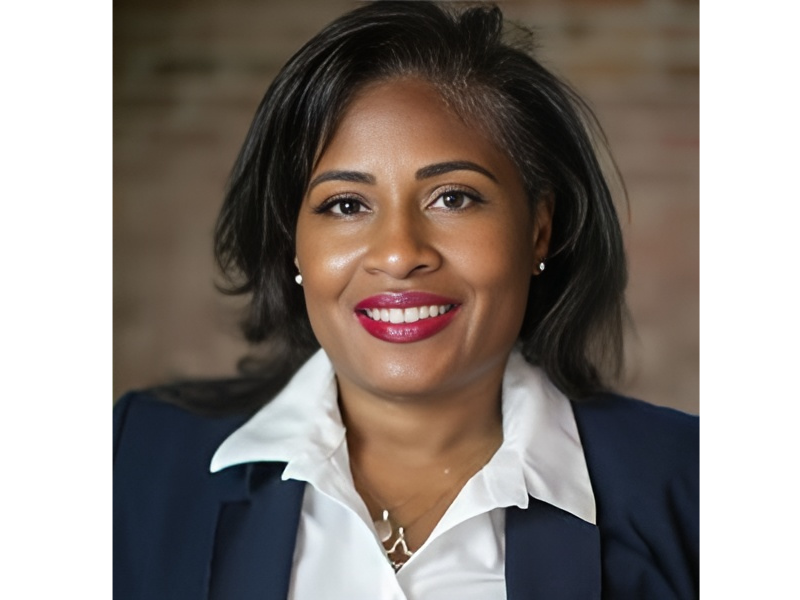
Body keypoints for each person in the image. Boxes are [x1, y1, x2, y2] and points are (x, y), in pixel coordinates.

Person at [112, 1, 700, 599]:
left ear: (538, 228)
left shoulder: (682, 483)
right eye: (345, 204)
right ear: (293, 242)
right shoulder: (138, 462)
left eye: (453, 198)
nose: (398, 254)